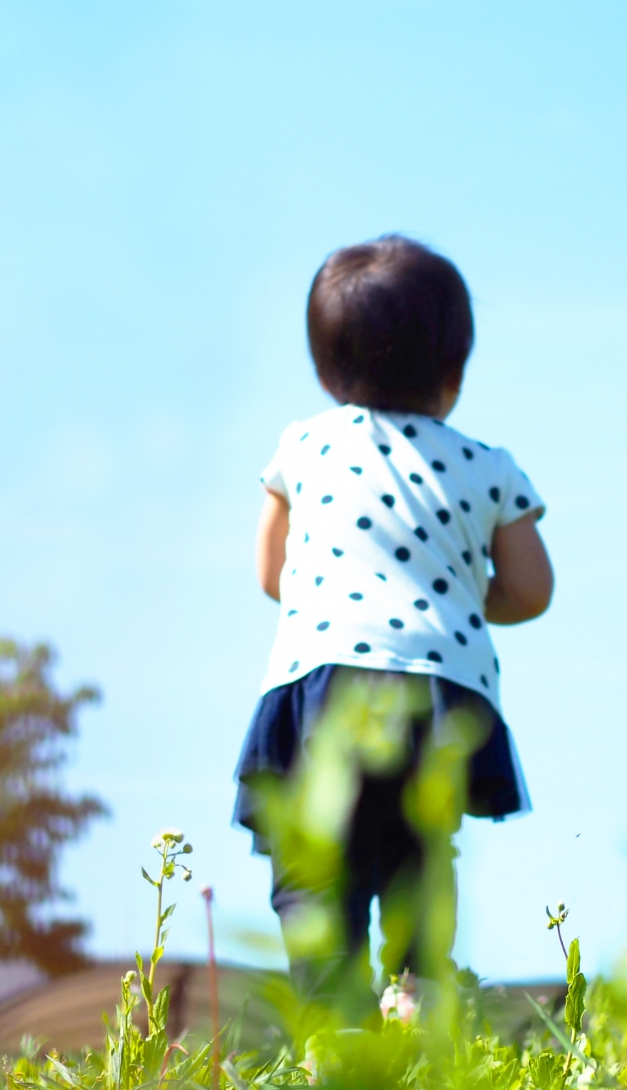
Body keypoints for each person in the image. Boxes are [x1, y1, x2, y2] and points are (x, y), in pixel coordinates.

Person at [232, 235, 554, 996]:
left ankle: (338, 1025)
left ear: (322, 370)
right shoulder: (488, 466)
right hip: (441, 693)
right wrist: (458, 597)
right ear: (454, 372)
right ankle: (418, 995)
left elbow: (271, 573)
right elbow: (531, 590)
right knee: (416, 855)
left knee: (317, 863)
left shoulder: (303, 446)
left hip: (324, 683)